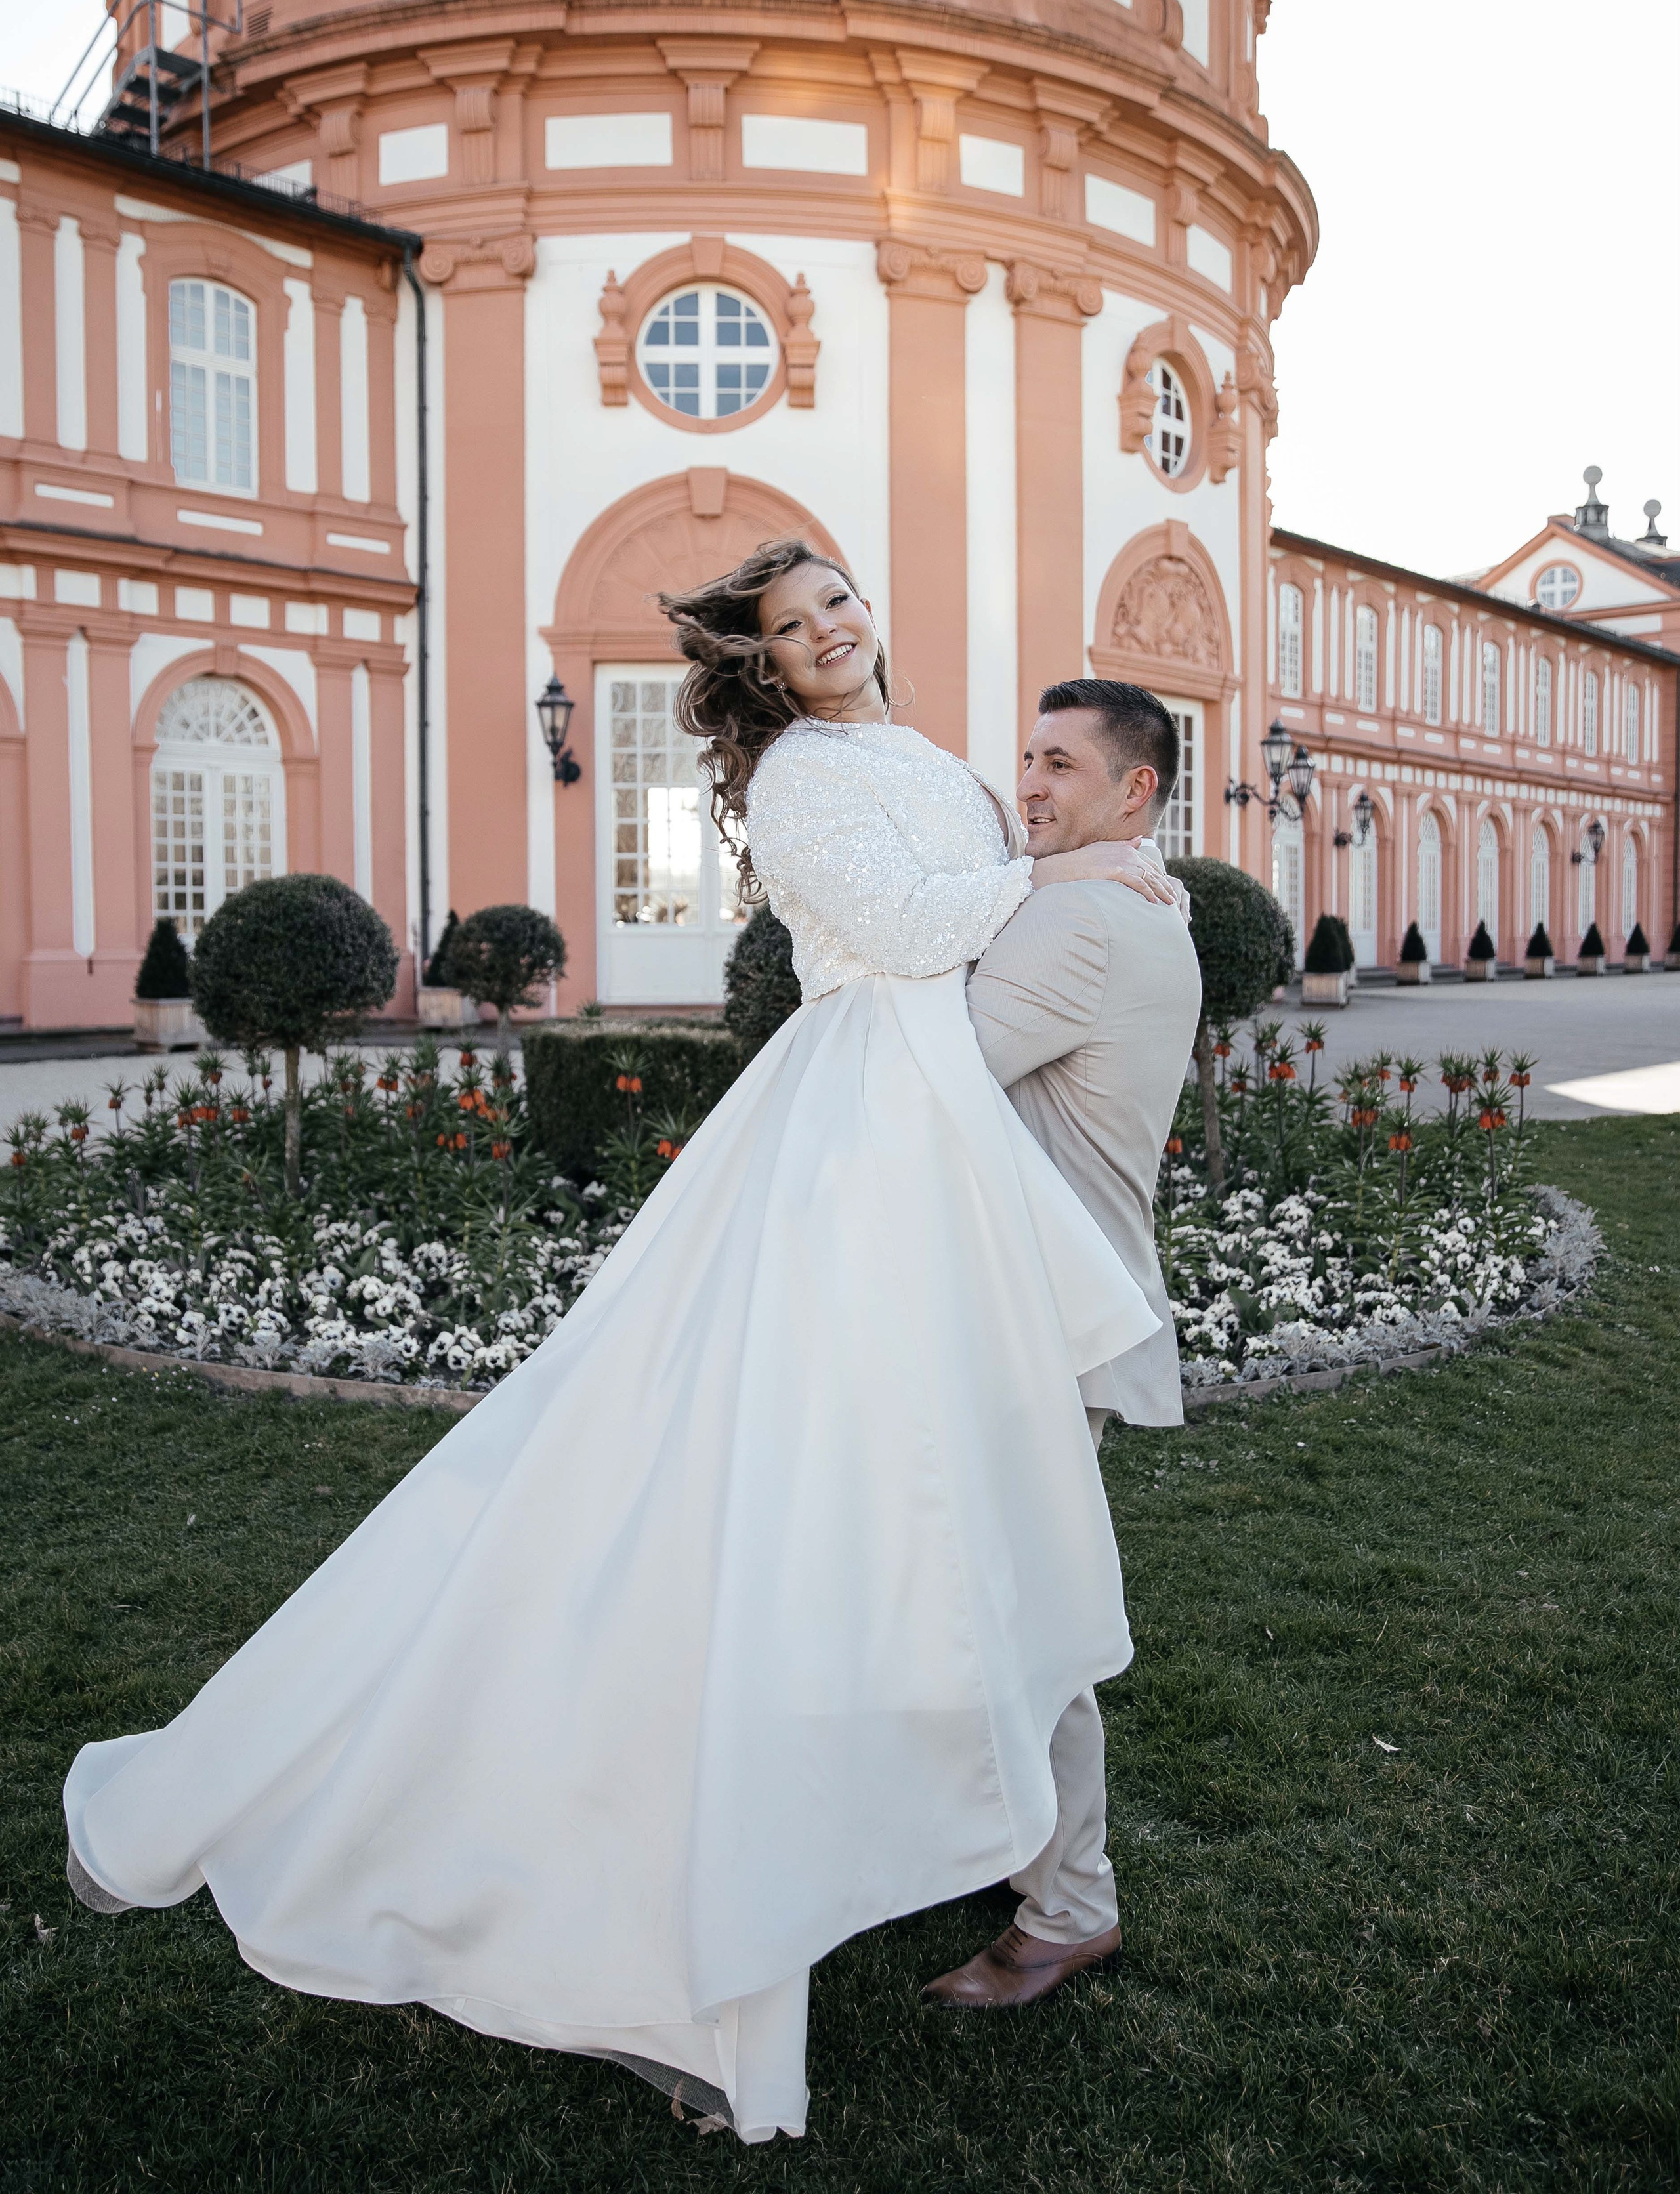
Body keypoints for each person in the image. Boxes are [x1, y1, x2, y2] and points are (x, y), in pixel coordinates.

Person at [62, 539, 1179, 2145]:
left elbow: (977, 938)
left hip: (928, 1146)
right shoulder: (800, 777)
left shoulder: (924, 757)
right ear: (766, 671)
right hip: (856, 1133)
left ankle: (947, 1844)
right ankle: (752, 1859)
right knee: (757, 1508)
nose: (830, 633)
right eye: (794, 631)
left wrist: (1057, 876)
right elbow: (912, 929)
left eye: (840, 602)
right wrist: (1064, 873)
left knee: (898, 1523)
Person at [921, 679, 1203, 2010]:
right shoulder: (1111, 895)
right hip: (1029, 1304)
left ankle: (1069, 1903)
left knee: (1020, 1620)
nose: (1026, 784)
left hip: (1035, 1319)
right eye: (1022, 758)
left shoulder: (1083, 920)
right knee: (966, 1598)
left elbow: (920, 1077)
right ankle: (989, 1834)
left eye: (1058, 766)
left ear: (1133, 793)